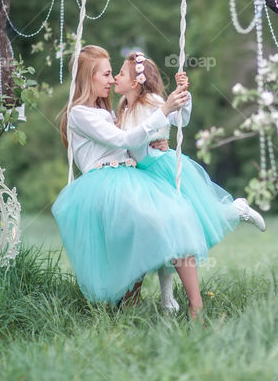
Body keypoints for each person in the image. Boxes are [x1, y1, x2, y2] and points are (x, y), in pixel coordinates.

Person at [52, 45, 209, 319]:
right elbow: (122, 140)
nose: (112, 80)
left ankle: (195, 306)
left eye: (114, 74)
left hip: (130, 176)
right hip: (104, 184)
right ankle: (129, 302)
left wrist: (155, 139)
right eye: (106, 74)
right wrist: (164, 110)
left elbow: (133, 139)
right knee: (141, 227)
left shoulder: (110, 113)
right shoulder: (79, 114)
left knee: (176, 215)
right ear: (89, 78)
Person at [114, 51, 266, 313]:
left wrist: (184, 94)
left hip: (161, 169)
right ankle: (167, 300)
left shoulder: (151, 100)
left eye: (121, 74)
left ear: (136, 82)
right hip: (142, 174)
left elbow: (178, 118)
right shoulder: (124, 108)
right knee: (164, 232)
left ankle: (236, 209)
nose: (116, 77)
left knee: (189, 222)